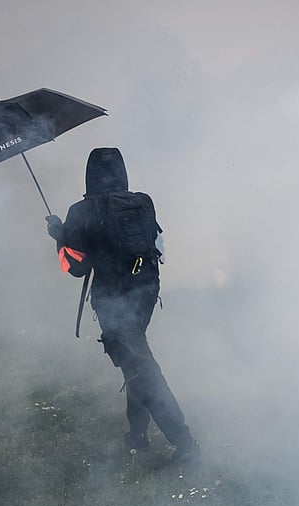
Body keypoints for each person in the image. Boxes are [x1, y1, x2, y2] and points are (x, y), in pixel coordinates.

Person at [45, 147, 200, 464]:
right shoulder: (143, 201)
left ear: (90, 176)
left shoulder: (81, 210)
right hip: (145, 292)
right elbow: (157, 246)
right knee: (135, 361)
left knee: (141, 370)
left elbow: (74, 267)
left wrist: (59, 235)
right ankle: (137, 435)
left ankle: (185, 444)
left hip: (114, 298)